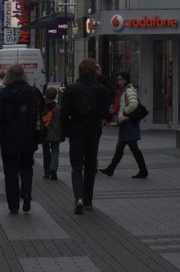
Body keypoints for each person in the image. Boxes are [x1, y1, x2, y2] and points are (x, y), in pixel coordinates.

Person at [61, 58, 114, 214]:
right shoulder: (100, 89)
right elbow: (112, 92)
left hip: (76, 132)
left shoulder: (70, 90)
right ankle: (88, 201)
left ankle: (78, 197)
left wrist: (67, 131)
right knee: (90, 166)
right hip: (93, 132)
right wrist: (101, 76)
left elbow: (64, 115)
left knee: (76, 167)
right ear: (94, 72)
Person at [0, 65, 42, 213]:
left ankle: (13, 205)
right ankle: (26, 192)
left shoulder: (3, 93)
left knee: (10, 171)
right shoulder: (32, 92)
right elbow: (40, 108)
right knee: (27, 167)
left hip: (9, 137)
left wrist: (2, 124)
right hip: (28, 136)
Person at [100, 71, 149, 178]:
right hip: (126, 124)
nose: (120, 82)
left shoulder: (129, 90)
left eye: (122, 79)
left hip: (129, 124)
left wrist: (125, 112)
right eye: (118, 80)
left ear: (126, 80)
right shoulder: (124, 91)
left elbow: (134, 104)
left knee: (132, 149)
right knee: (122, 149)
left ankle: (142, 171)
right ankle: (111, 169)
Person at [41, 86, 64, 180]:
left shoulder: (41, 105)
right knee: (55, 151)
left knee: (45, 152)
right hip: (55, 132)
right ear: (55, 96)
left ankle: (46, 172)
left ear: (46, 94)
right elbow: (61, 121)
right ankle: (53, 169)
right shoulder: (58, 107)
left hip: (44, 132)